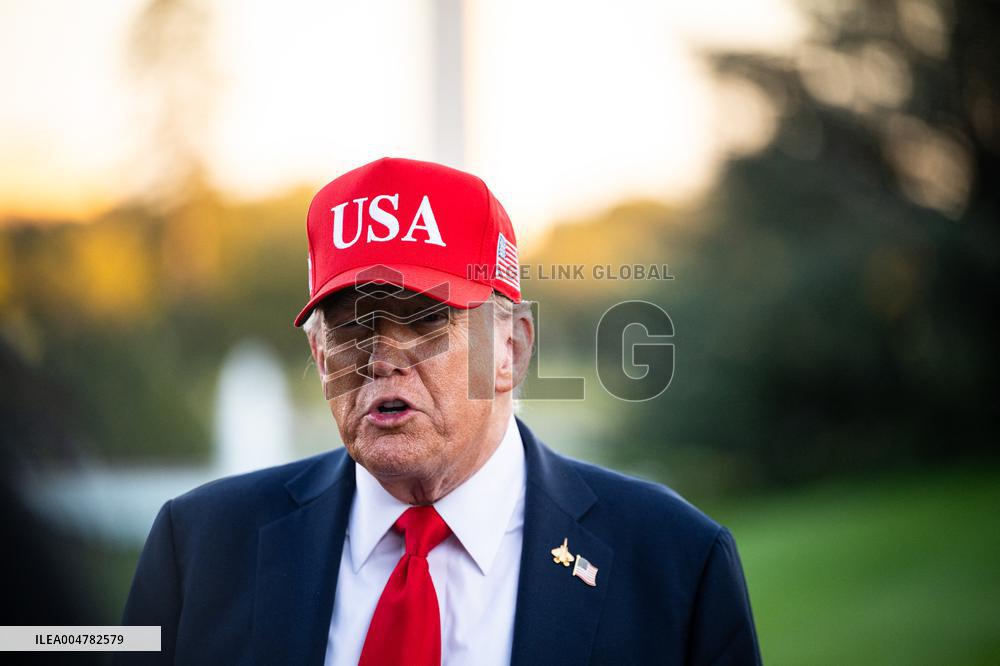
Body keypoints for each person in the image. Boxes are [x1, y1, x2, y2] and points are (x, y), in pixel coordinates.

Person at [119, 157, 762, 665]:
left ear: (509, 348)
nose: (380, 359)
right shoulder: (198, 547)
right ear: (319, 356)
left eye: (424, 320)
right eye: (348, 329)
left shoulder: (677, 564)